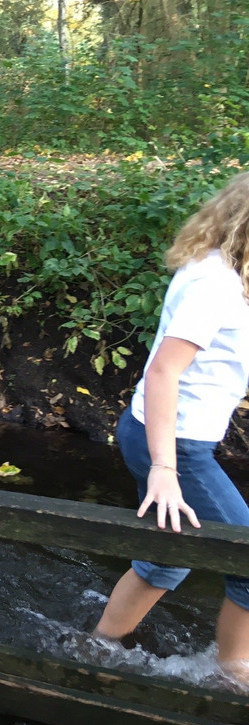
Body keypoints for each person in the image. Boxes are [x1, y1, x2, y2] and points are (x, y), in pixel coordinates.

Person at [92, 173, 249, 683]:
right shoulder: (215, 284)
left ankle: (97, 648)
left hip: (167, 433)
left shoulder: (227, 273)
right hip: (174, 442)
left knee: (167, 559)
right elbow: (163, 371)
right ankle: (234, 680)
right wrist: (165, 468)